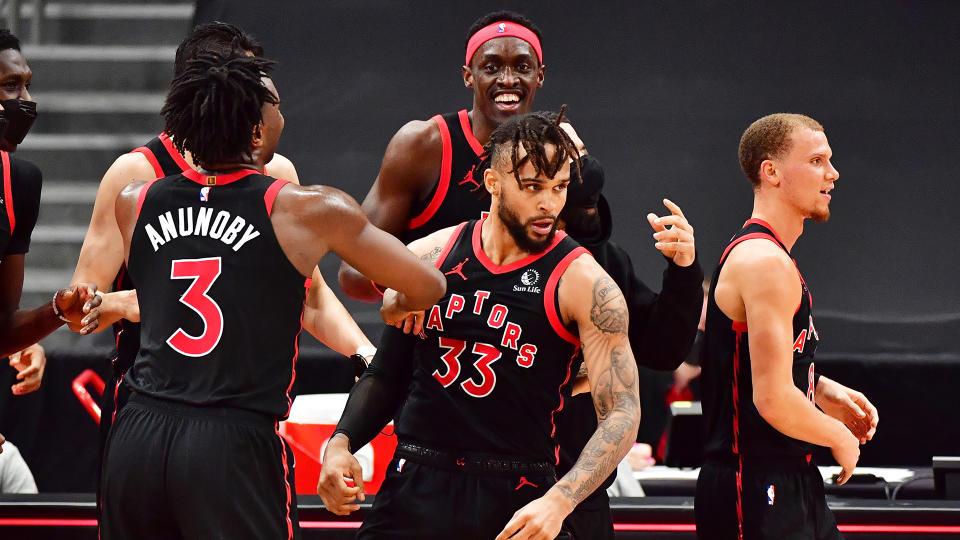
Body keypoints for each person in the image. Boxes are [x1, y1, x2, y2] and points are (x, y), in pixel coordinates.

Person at [98, 52, 445, 539]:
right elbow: (429, 285)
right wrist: (399, 300)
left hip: (137, 433)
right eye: (276, 105)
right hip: (229, 440)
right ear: (257, 132)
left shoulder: (134, 200)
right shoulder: (307, 209)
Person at [318, 111, 641, 540]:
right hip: (418, 476)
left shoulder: (585, 282)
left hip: (518, 488)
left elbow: (622, 411)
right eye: (532, 187)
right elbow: (386, 374)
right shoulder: (431, 256)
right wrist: (340, 444)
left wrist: (561, 500)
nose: (549, 203)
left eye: (559, 187)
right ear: (493, 183)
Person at [64, 21, 376, 465]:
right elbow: (84, 313)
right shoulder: (136, 176)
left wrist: (366, 354)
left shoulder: (277, 173)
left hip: (239, 411)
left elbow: (309, 296)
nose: (259, 100)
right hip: (150, 407)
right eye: (245, 83)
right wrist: (136, 302)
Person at [694, 113, 879, 539]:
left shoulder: (770, 256)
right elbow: (773, 399)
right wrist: (838, 437)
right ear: (771, 171)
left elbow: (745, 365)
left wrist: (819, 388)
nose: (832, 173)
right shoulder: (764, 262)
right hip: (754, 482)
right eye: (816, 160)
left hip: (785, 478)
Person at [339, 10, 549, 300]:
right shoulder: (423, 145)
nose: (508, 80)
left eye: (522, 67)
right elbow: (354, 273)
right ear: (468, 76)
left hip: (515, 336)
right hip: (434, 335)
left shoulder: (554, 154)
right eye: (491, 68)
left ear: (539, 76)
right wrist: (431, 282)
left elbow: (585, 259)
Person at [553, 146, 704, 538]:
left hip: (582, 488)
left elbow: (663, 347)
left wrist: (683, 272)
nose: (580, 162)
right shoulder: (485, 250)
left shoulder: (609, 260)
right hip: (502, 478)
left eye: (581, 151)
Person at [0, 27, 100, 359]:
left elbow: (4, 328)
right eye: (11, 87)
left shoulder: (19, 181)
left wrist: (57, 311)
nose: (27, 101)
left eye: (27, 85)